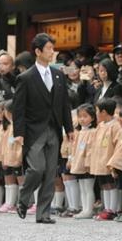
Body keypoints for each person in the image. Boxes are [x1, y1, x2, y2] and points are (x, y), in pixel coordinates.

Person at [13, 33, 74, 224]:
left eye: (52, 48)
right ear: (38, 51)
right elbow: (19, 110)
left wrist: (69, 128)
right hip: (33, 130)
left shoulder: (58, 75)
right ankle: (24, 198)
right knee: (36, 169)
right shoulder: (26, 77)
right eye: (48, 48)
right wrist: (19, 134)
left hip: (54, 128)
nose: (52, 52)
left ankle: (43, 213)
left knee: (50, 172)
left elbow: (64, 104)